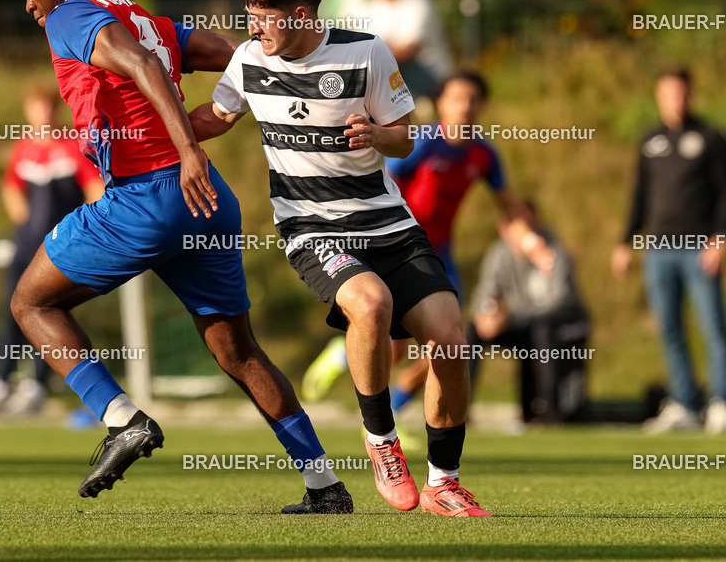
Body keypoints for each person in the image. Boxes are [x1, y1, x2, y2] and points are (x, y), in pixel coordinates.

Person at [3, 0, 352, 513]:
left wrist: (189, 150)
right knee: (238, 352)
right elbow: (214, 51)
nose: (30, 5)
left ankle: (122, 420)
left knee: (30, 303)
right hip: (207, 204)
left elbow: (140, 65)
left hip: (149, 197)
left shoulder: (72, 16)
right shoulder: (133, 10)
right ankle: (325, 486)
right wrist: (291, 63)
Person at [190, 0, 490, 516]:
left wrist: (378, 133)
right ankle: (382, 443)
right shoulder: (250, 59)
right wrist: (149, 129)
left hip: (388, 222)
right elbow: (218, 116)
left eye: (262, 17)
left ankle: (444, 483)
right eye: (249, 15)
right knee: (370, 305)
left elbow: (403, 138)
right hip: (311, 226)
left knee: (450, 340)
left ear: (301, 15)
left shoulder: (365, 51)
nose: (252, 28)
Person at [302, 73, 542, 416]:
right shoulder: (422, 142)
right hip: (399, 249)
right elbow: (379, 187)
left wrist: (534, 245)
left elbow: (509, 211)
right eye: (458, 98)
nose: (466, 107)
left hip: (440, 255)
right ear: (441, 103)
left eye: (474, 99)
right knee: (396, 348)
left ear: (483, 105)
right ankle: (343, 355)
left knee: (449, 347)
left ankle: (393, 413)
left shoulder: (484, 154)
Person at [611, 68, 726, 435]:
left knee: (712, 326)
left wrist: (719, 239)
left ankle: (720, 402)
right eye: (670, 94)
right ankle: (685, 404)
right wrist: (626, 241)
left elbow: (724, 193)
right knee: (670, 328)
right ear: (659, 96)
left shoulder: (710, 138)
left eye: (682, 93)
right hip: (658, 248)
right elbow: (639, 196)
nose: (677, 100)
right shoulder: (651, 141)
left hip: (698, 248)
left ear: (691, 95)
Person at [0, 86, 104, 416]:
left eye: (48, 108)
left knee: (49, 311)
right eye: (37, 108)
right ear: (28, 111)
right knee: (13, 310)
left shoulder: (72, 148)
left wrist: (85, 232)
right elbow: (11, 190)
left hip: (60, 247)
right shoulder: (23, 150)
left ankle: (37, 382)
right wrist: (26, 224)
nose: (43, 115)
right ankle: (1, 381)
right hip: (25, 246)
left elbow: (95, 188)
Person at [467, 204, 589, 423]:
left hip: (554, 325)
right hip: (519, 324)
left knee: (541, 328)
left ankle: (548, 412)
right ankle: (461, 409)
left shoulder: (553, 253)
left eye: (531, 225)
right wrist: (488, 314)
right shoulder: (499, 254)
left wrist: (514, 317)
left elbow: (559, 300)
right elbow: (486, 292)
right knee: (472, 332)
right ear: (505, 229)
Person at [349, 0, 453, 101]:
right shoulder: (365, 8)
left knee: (385, 62)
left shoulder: (418, 2)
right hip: (391, 75)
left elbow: (407, 52)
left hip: (431, 80)